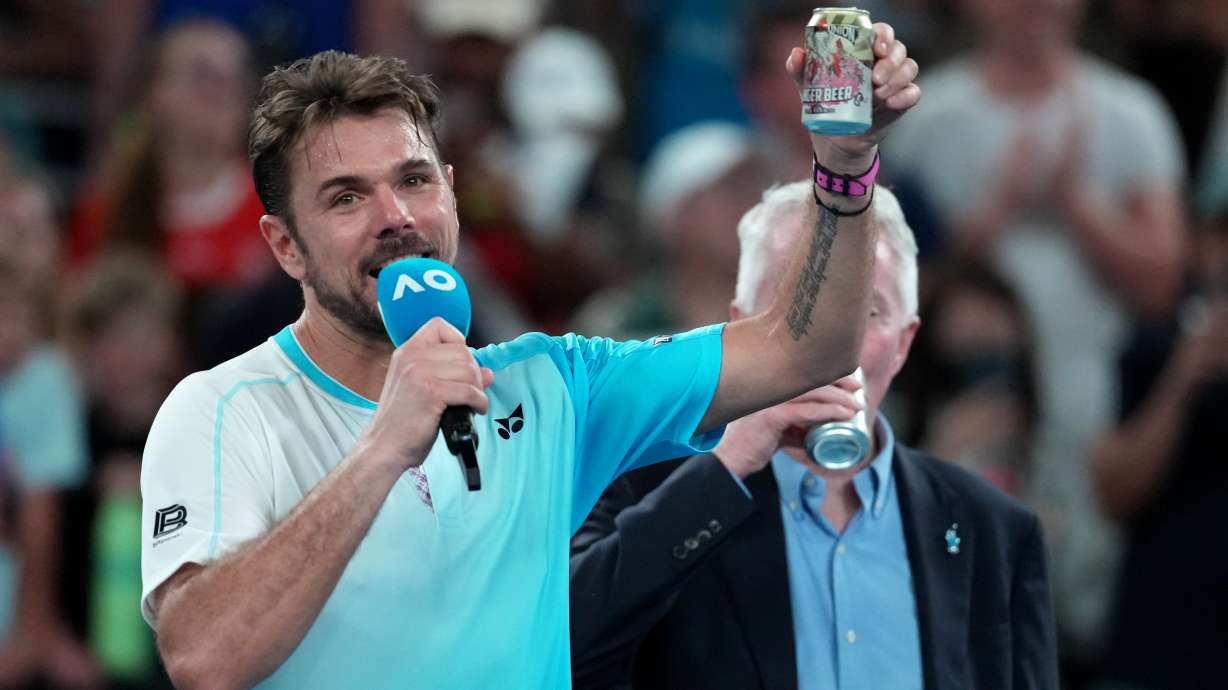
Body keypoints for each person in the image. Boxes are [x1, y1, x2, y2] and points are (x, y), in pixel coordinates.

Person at [139, 28, 921, 690]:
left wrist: (845, 167)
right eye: (346, 197)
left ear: (449, 192)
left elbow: (807, 347)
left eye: (413, 181)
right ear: (285, 245)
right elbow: (204, 659)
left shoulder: (554, 383)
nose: (396, 218)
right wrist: (384, 446)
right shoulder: (220, 410)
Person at [569, 183, 1059, 690]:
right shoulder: (643, 487)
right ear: (739, 328)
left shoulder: (995, 530)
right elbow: (566, 647)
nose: (831, 348)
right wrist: (728, 463)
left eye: (865, 314)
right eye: (798, 313)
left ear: (904, 343)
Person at [886, 0, 1187, 663]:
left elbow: (1164, 283)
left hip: (1092, 397)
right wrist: (994, 214)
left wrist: (1076, 203)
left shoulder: (1129, 111)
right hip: (965, 401)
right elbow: (887, 283)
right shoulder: (927, 116)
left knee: (1075, 605)